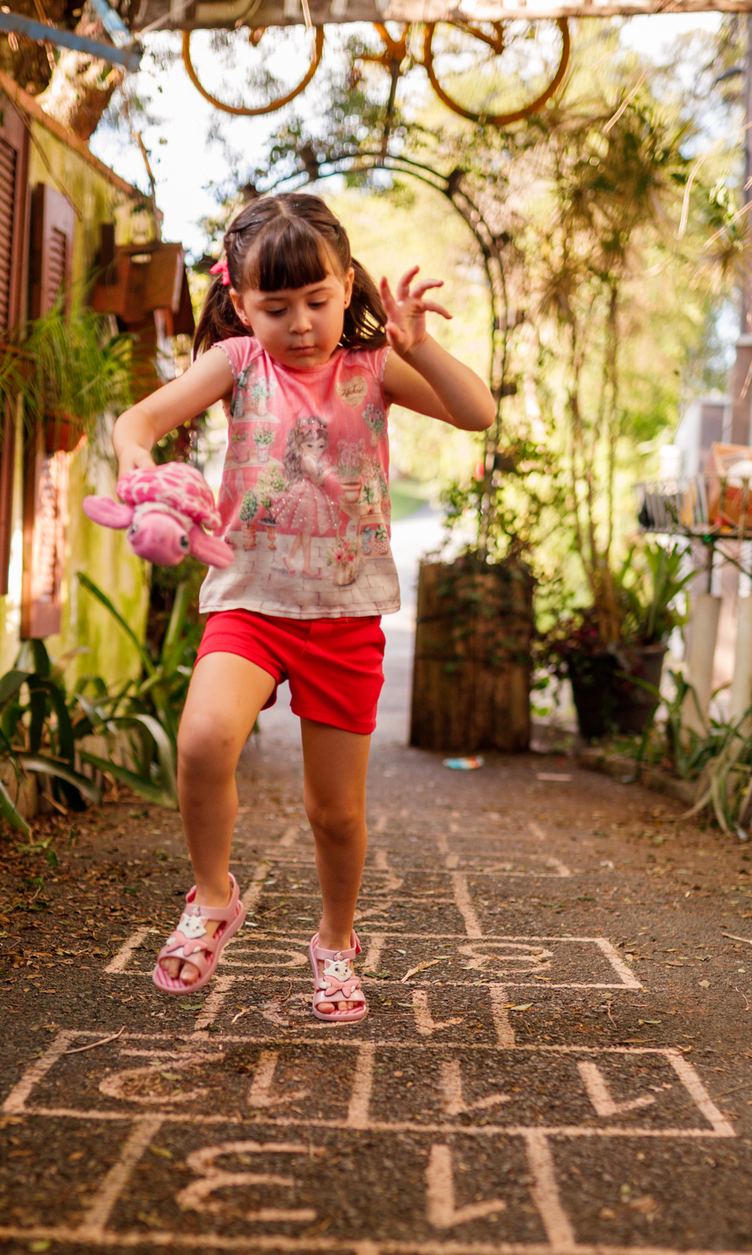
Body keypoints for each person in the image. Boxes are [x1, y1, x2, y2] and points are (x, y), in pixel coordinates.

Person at [110, 193, 495, 1022]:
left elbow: (478, 414)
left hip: (345, 614)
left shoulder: (375, 366)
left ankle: (335, 941)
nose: (300, 324)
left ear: (348, 285)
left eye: (317, 301)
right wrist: (144, 474)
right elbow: (137, 422)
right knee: (205, 738)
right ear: (241, 305)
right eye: (275, 307)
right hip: (249, 602)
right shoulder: (237, 364)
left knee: (335, 815)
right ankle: (213, 896)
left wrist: (422, 347)